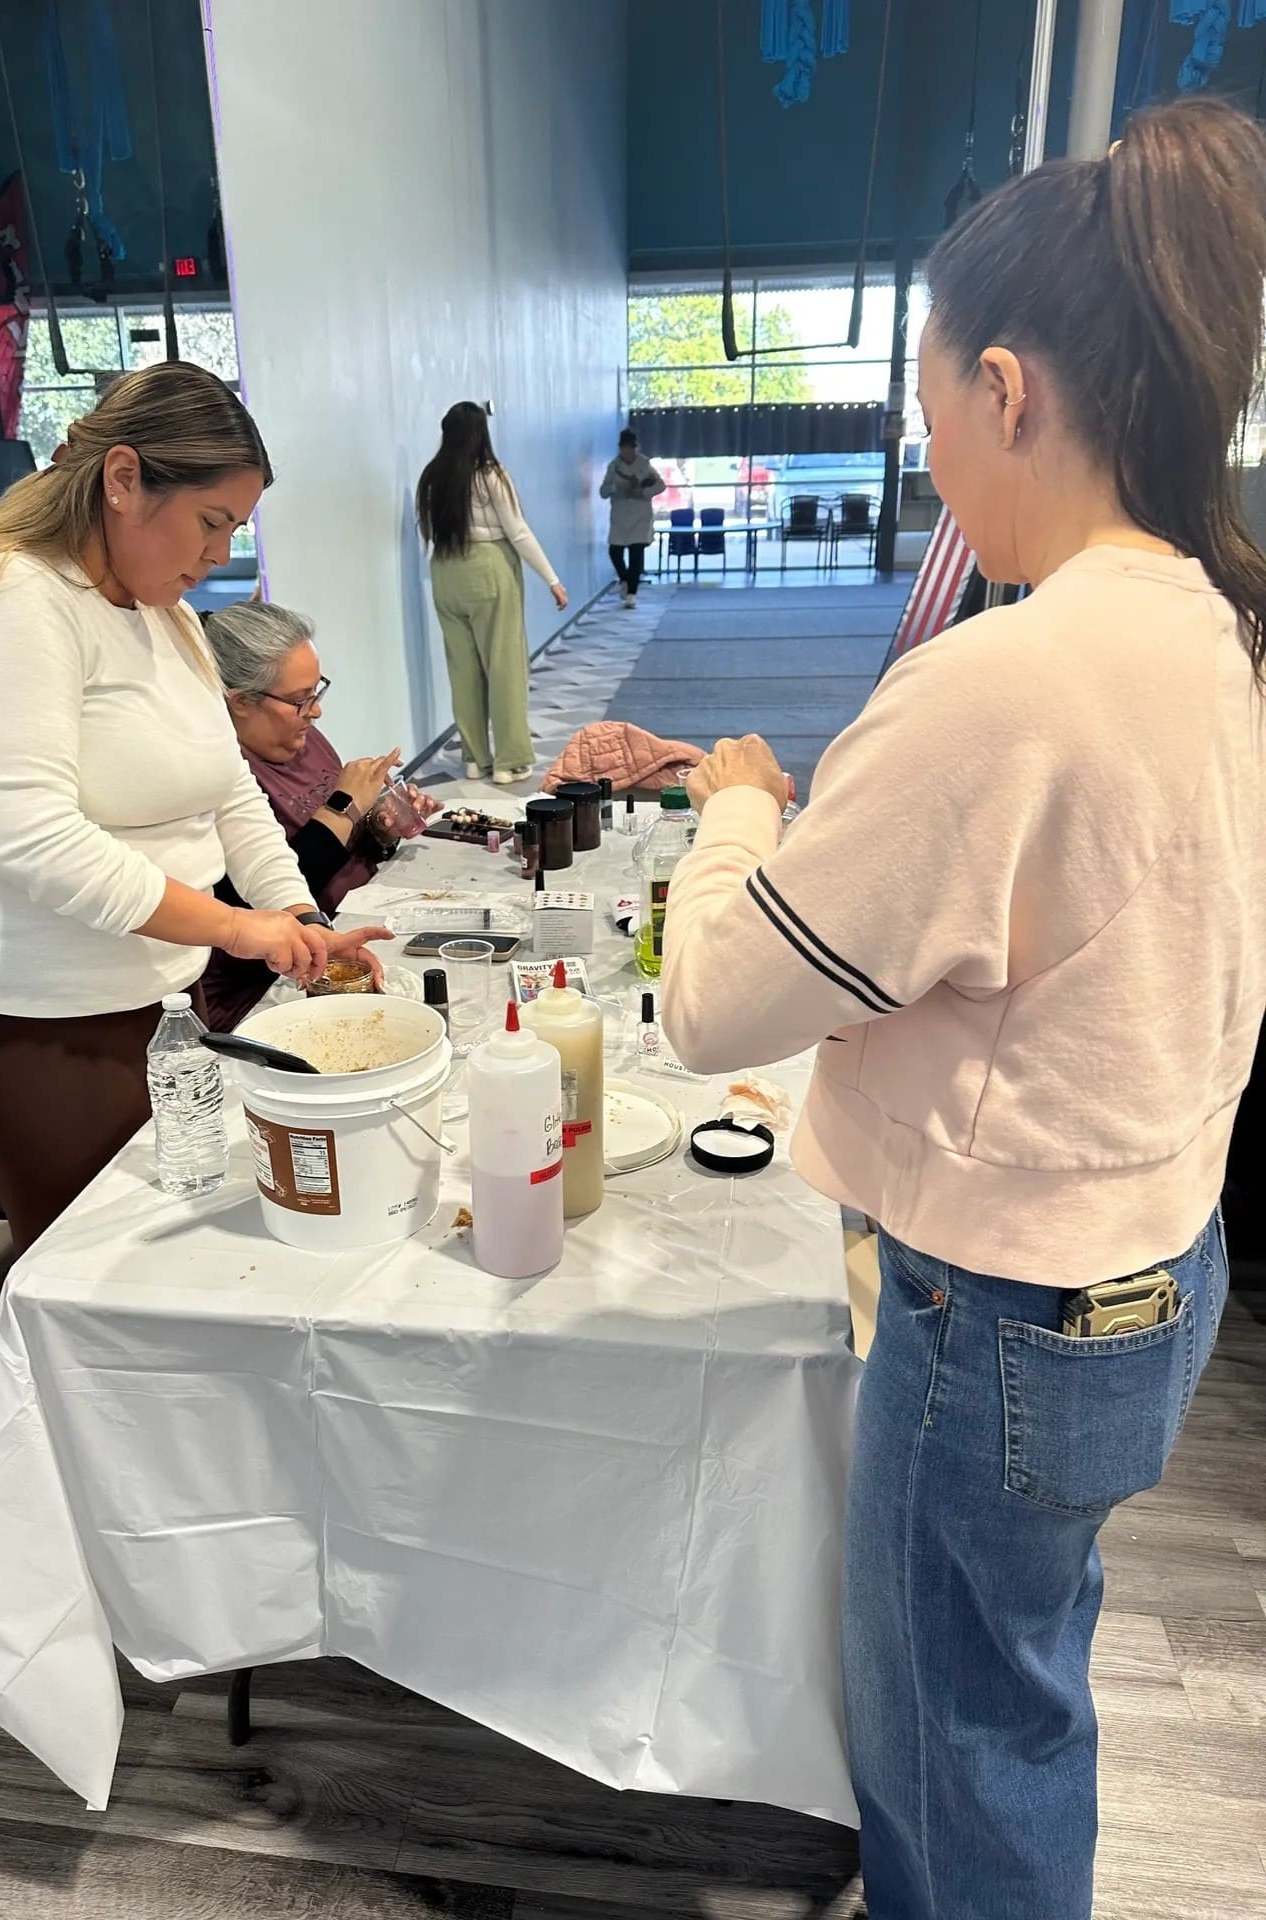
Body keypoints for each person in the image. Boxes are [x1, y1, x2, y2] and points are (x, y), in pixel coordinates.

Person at [659, 98, 1266, 1920]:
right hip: (1151, 1266)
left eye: (929, 419)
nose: (933, 471)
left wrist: (739, 809)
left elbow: (714, 1003)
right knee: (1018, 1686)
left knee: (948, 1739)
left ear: (1006, 389)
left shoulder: (1014, 679)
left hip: (1003, 1315)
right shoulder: (1217, 624)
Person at [0, 361, 389, 1252]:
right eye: (210, 521)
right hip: (32, 1009)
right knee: (94, 1259)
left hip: (152, 991)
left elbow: (229, 792)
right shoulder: (6, 596)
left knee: (176, 1228)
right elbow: (34, 840)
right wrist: (235, 929)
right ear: (122, 479)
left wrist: (297, 917)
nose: (220, 555)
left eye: (234, 529)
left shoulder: (166, 613)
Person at [199, 599, 442, 1030]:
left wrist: (379, 828)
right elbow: (256, 896)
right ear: (241, 702)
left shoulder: (301, 738)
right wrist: (344, 806)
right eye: (300, 700)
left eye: (317, 691)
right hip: (269, 980)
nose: (315, 710)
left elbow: (339, 850)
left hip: (344, 927)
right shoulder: (217, 774)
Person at [417, 401, 568, 786]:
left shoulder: (431, 477)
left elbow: (429, 532)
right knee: (504, 665)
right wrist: (551, 578)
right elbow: (518, 532)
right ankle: (510, 761)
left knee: (463, 669)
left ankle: (474, 758)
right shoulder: (490, 476)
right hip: (488, 568)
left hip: (445, 570)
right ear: (479, 434)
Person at [598, 428, 664, 606]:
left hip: (640, 516)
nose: (629, 452)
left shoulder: (645, 465)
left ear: (637, 448)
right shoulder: (614, 467)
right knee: (615, 552)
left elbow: (660, 485)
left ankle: (631, 595)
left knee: (636, 554)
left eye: (632, 448)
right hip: (619, 516)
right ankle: (624, 579)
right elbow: (603, 492)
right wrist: (616, 488)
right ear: (621, 449)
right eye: (625, 449)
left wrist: (642, 492)